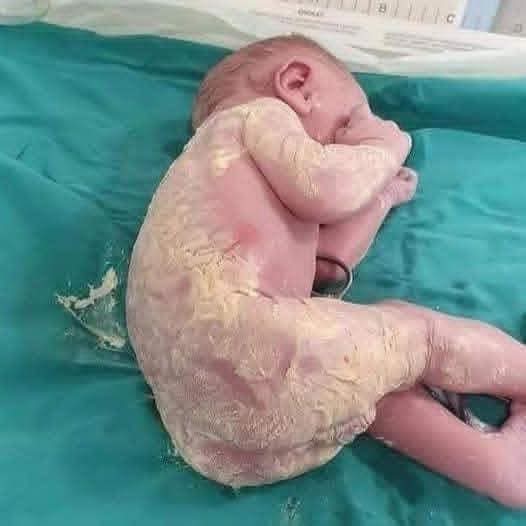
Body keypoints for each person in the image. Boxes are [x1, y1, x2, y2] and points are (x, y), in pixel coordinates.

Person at [126, 34, 526, 507]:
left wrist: (380, 198)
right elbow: (326, 187)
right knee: (421, 337)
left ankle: (502, 467)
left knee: (364, 377)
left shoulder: (214, 190)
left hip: (217, 437)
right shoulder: (255, 116)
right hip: (256, 346)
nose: (350, 140)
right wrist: (381, 145)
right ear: (298, 85)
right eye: (347, 122)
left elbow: (325, 267)